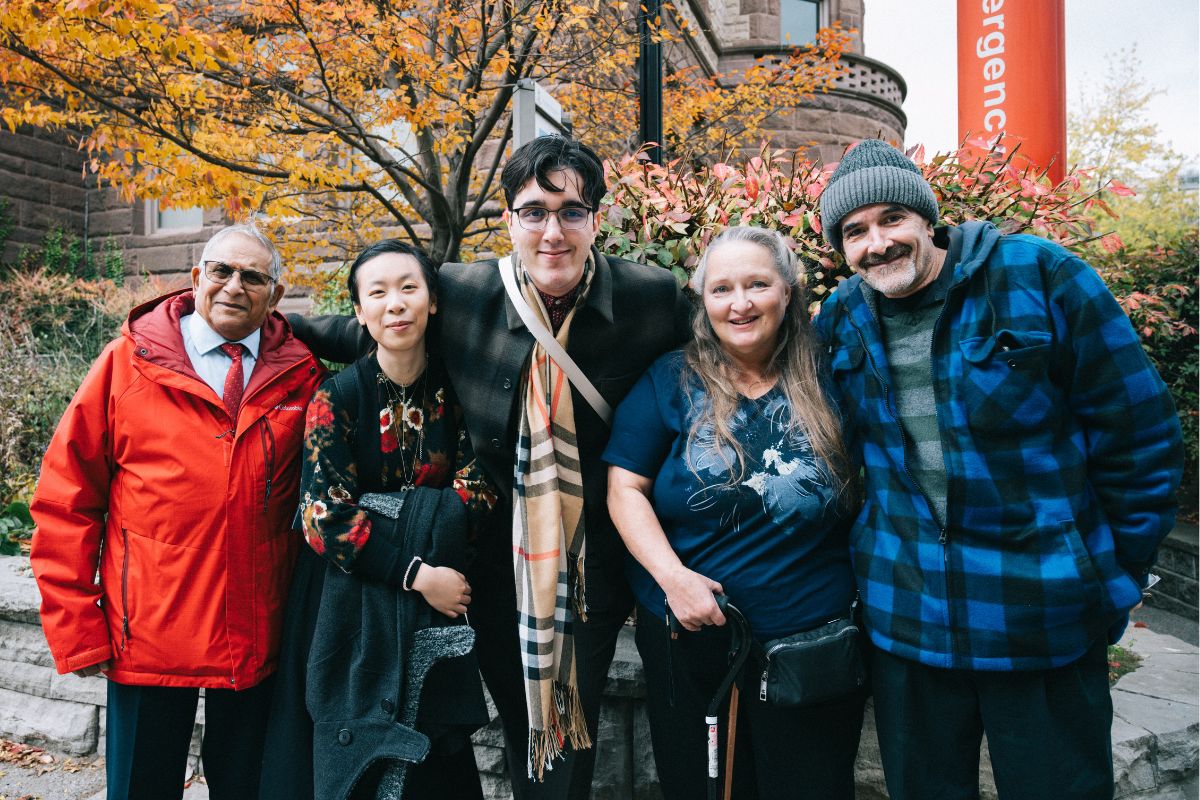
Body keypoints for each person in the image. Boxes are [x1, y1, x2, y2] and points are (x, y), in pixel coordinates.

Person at [289, 134, 693, 799]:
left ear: (596, 218)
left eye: (571, 211)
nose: (552, 231)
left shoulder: (651, 297)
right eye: (534, 211)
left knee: (562, 750)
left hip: (587, 577)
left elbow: (725, 349)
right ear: (509, 222)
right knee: (470, 738)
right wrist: (236, 320)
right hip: (485, 568)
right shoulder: (465, 291)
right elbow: (364, 326)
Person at [813, 139, 1185, 799]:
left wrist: (1111, 576)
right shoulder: (843, 317)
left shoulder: (1042, 277)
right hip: (907, 625)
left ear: (928, 218)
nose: (877, 243)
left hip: (1042, 616)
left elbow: (1141, 436)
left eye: (891, 218)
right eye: (855, 231)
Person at [29, 224, 325, 800]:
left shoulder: (302, 373)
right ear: (195, 279)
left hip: (257, 639)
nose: (234, 286)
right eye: (220, 271)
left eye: (252, 276)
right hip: (148, 635)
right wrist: (76, 627)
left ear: (275, 296)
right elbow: (66, 500)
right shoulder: (126, 364)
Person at [603, 226, 864, 799]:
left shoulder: (834, 374)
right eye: (721, 289)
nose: (740, 303)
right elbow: (625, 487)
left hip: (810, 642)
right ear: (702, 300)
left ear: (788, 293)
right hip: (689, 635)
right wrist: (674, 580)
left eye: (757, 284)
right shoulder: (669, 380)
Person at [259, 240, 497, 800]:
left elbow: (481, 492)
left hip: (436, 604)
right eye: (378, 293)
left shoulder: (460, 391)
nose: (396, 304)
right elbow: (323, 517)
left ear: (432, 302)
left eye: (409, 288)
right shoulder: (336, 398)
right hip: (354, 595)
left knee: (433, 759)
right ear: (361, 312)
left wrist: (386, 514)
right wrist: (418, 570)